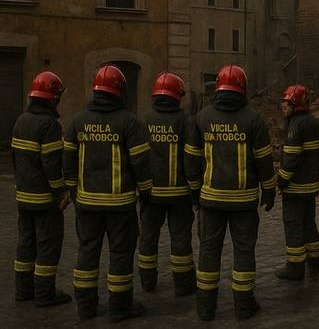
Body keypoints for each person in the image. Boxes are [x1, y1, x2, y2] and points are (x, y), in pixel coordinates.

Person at [186, 64, 276, 321]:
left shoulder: (201, 118)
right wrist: (268, 190)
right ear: (243, 89)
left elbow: (191, 162)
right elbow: (264, 161)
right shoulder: (253, 119)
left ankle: (205, 308)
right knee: (244, 251)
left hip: (210, 201)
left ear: (218, 88)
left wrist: (195, 193)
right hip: (244, 202)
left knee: (208, 250)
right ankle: (244, 306)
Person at [64, 64, 152, 321]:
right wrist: (145, 192)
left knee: (87, 252)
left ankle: (86, 307)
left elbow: (67, 159)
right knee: (120, 255)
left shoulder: (77, 121)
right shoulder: (130, 122)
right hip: (120, 205)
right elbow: (141, 163)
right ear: (120, 92)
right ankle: (119, 307)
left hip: (87, 203)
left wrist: (72, 189)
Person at [11, 71, 72, 307]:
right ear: (53, 98)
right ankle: (45, 294)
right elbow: (52, 166)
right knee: (48, 243)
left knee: (26, 242)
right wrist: (61, 193)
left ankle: (22, 290)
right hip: (45, 199)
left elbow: (15, 158)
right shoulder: (49, 125)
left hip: (24, 196)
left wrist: (19, 184)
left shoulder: (21, 120)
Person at [137, 73, 196, 296]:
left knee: (148, 237)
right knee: (180, 238)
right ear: (177, 95)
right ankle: (183, 284)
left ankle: (147, 282)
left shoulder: (145, 120)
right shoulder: (186, 120)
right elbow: (192, 156)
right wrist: (194, 188)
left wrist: (140, 189)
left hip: (150, 194)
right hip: (180, 194)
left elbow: (138, 158)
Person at [275, 84, 319, 281]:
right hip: (310, 186)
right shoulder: (313, 123)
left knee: (293, 225)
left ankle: (295, 268)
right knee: (309, 224)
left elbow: (291, 158)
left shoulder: (295, 126)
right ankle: (314, 264)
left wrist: (281, 181)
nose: (283, 106)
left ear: (296, 105)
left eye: (287, 103)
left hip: (295, 189)